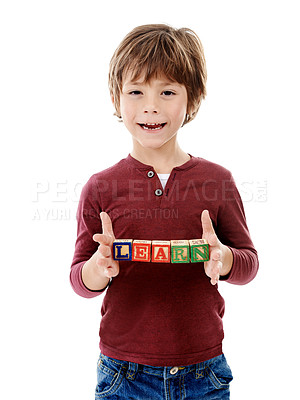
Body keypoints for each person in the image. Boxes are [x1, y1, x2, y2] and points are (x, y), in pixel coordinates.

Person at [70, 24, 259, 400]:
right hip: (123, 374)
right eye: (136, 91)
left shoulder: (217, 181)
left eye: (167, 92)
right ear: (116, 99)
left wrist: (222, 259)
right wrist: (97, 268)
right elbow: (79, 279)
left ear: (193, 99)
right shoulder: (100, 187)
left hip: (205, 373)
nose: (151, 106)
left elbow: (249, 263)